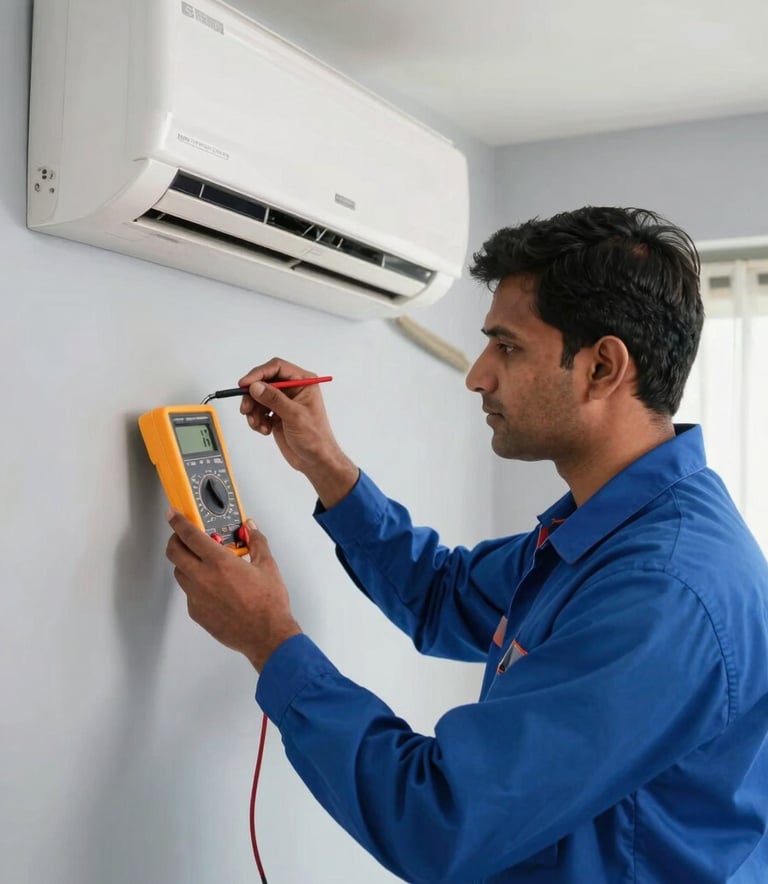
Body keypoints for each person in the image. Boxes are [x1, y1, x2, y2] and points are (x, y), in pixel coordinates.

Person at [166, 206, 768, 883]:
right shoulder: (613, 530)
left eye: (507, 347)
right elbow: (443, 596)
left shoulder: (661, 590)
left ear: (602, 368)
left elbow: (441, 820)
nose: (476, 375)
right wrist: (326, 467)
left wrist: (269, 639)